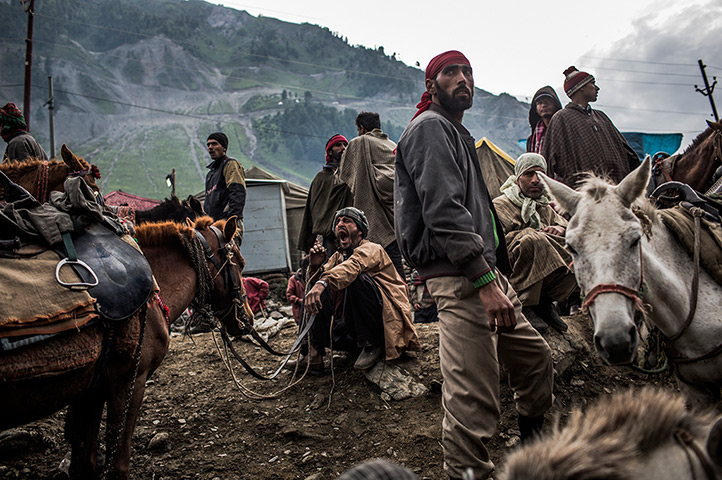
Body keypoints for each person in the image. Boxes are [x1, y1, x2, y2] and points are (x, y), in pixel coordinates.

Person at [394, 50, 554, 480]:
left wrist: (492, 272)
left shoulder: (456, 133)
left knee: (535, 360)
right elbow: (444, 211)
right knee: (473, 400)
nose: (462, 78)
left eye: (468, 72)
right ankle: (467, 472)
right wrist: (484, 281)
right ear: (431, 86)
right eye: (451, 72)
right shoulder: (429, 128)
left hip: (483, 272)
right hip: (459, 276)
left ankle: (531, 455)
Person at [291, 207, 419, 374]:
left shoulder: (372, 249)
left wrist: (322, 282)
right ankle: (313, 355)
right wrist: (316, 268)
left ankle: (372, 344)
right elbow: (324, 279)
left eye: (347, 220)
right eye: (338, 221)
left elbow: (353, 266)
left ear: (359, 230)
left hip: (380, 327)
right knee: (313, 287)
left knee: (357, 278)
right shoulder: (338, 257)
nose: (340, 224)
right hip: (347, 333)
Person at [493, 153, 578, 333]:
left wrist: (561, 230)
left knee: (575, 248)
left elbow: (565, 228)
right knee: (534, 239)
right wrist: (532, 234)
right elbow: (495, 246)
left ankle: (544, 302)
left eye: (540, 175)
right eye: (528, 174)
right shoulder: (500, 205)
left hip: (540, 276)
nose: (535, 180)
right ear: (518, 178)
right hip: (508, 276)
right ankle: (523, 305)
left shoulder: (545, 207)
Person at [541, 66, 639, 189]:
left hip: (617, 191)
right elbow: (547, 161)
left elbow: (627, 153)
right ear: (581, 87)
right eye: (592, 83)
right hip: (584, 197)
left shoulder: (601, 117)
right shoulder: (561, 119)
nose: (597, 88)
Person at [338, 112, 404, 277]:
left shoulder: (360, 143)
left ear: (361, 128)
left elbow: (342, 177)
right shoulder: (392, 145)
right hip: (395, 222)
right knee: (396, 273)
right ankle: (402, 302)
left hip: (374, 220)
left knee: (374, 274)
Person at [298, 134, 353, 254]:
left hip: (351, 233)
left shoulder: (351, 175)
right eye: (338, 145)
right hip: (328, 236)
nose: (343, 148)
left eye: (345, 145)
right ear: (330, 152)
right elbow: (314, 209)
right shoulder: (321, 179)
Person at [204, 132, 247, 242]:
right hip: (213, 225)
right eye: (208, 145)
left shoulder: (230, 164)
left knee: (229, 255)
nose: (210, 148)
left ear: (224, 148)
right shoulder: (210, 175)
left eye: (214, 144)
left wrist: (231, 221)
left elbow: (237, 192)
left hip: (227, 222)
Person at [526, 86, 562, 154]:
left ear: (555, 104)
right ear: (536, 109)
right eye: (539, 103)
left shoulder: (564, 131)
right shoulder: (532, 140)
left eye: (547, 102)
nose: (543, 105)